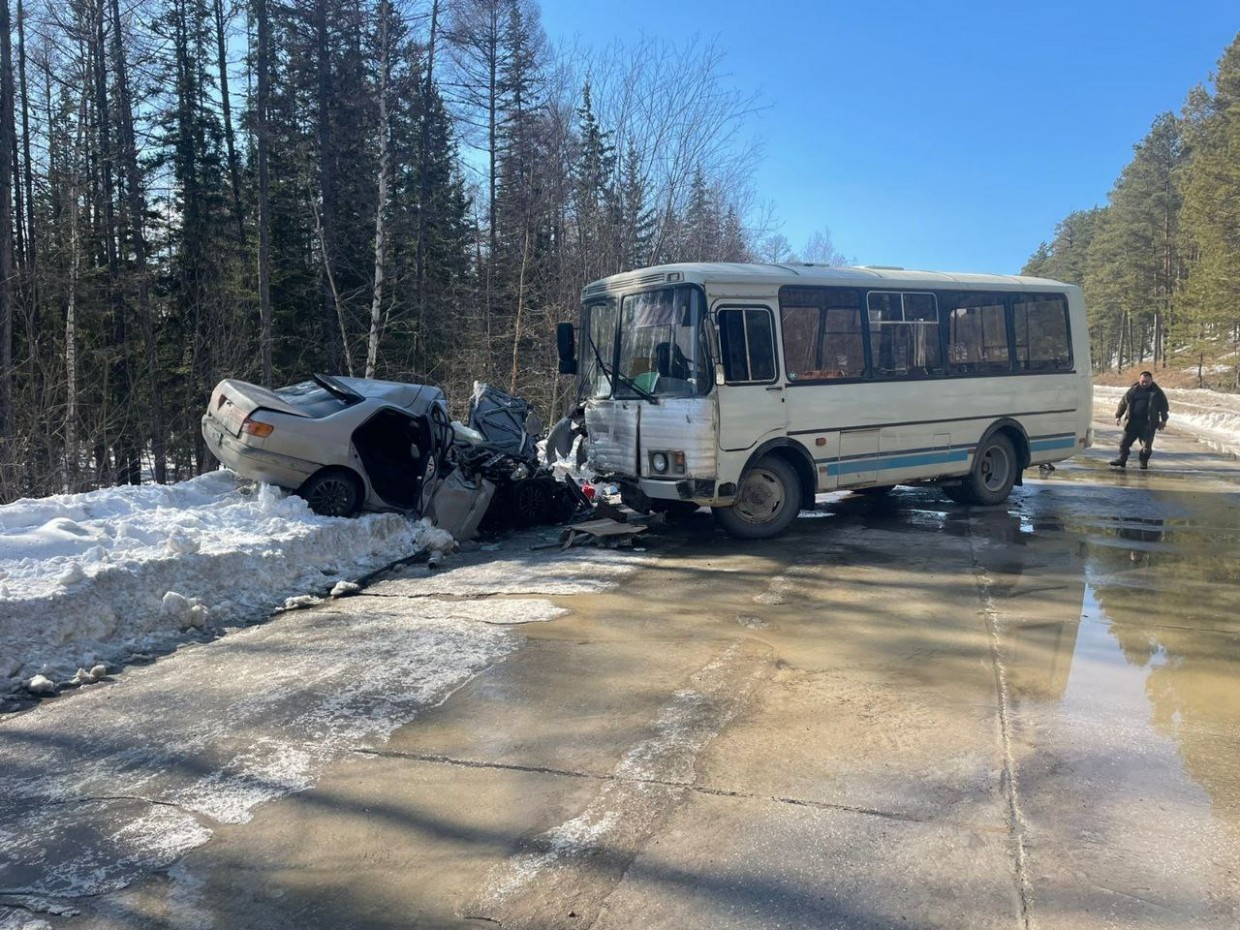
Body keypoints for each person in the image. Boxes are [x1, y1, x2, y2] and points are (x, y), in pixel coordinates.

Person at [1110, 370, 1169, 469]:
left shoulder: (1156, 392)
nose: (1144, 383)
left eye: (1147, 381)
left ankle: (1143, 462)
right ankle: (1122, 459)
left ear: (1151, 380)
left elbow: (1164, 407)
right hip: (1132, 423)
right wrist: (1118, 416)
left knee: (1146, 448)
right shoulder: (1133, 390)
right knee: (1124, 443)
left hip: (1148, 424)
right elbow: (1123, 403)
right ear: (1139, 379)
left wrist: (1163, 421)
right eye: (1142, 381)